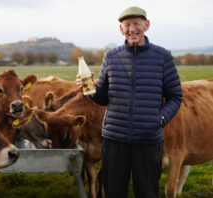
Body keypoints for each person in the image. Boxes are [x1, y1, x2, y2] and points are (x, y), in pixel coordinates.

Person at [76, 6, 182, 198]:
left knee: (147, 193)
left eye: (136, 24)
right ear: (121, 29)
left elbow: (175, 96)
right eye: (127, 25)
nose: (132, 29)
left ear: (146, 25)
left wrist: (160, 119)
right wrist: (90, 89)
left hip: (148, 140)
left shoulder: (162, 57)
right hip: (114, 140)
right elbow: (103, 97)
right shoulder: (111, 57)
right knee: (114, 192)